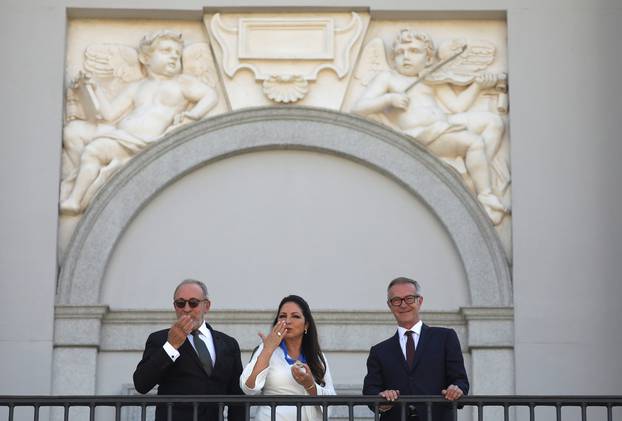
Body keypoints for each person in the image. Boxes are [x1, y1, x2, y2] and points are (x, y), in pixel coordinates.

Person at [352, 29, 508, 224]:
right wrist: (389, 99)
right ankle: (485, 195)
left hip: (444, 124)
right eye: (400, 53)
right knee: (473, 143)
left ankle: (473, 172)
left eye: (414, 51)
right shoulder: (388, 78)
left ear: (428, 59)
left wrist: (477, 86)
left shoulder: (431, 79)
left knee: (493, 122)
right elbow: (358, 108)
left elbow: (457, 106)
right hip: (423, 134)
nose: (405, 57)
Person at [60, 30, 218, 215]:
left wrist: (192, 116)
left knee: (93, 150)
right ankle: (91, 177)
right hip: (121, 136)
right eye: (166, 51)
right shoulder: (137, 87)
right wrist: (94, 89)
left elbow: (210, 95)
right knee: (73, 132)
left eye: (177, 54)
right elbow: (110, 114)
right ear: (145, 58)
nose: (174, 57)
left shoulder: (181, 83)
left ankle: (76, 198)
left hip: (144, 142)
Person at [133, 279, 244, 421]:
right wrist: (171, 346)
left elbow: (237, 397)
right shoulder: (159, 339)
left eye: (193, 303)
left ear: (206, 306)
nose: (186, 309)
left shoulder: (228, 344)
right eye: (180, 303)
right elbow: (141, 384)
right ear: (174, 306)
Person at [363, 277, 469, 421]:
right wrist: (381, 400)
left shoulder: (445, 338)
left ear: (420, 301)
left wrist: (456, 389)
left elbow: (460, 380)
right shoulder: (379, 351)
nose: (403, 305)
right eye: (396, 300)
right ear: (390, 305)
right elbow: (370, 391)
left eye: (409, 298)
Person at [240, 295, 336, 421]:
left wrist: (310, 385)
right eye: (282, 316)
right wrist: (267, 350)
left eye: (295, 316)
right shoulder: (266, 348)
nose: (288, 321)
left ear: (306, 324)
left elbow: (331, 401)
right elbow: (248, 387)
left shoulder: (317, 357)